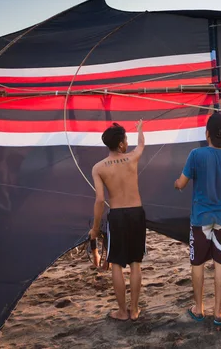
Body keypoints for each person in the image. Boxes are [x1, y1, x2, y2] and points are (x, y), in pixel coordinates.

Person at [174, 112, 221, 327]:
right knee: (220, 263)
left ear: (207, 134)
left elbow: (182, 183)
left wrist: (176, 184)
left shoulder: (196, 155)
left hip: (200, 218)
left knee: (197, 263)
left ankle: (199, 309)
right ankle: (217, 312)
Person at [89, 120, 146, 322]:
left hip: (118, 216)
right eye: (125, 139)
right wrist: (140, 129)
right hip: (137, 213)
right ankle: (135, 309)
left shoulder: (99, 168)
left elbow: (99, 200)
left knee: (116, 264)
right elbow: (141, 145)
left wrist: (95, 229)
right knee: (135, 263)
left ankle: (122, 312)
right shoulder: (132, 158)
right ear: (121, 144)